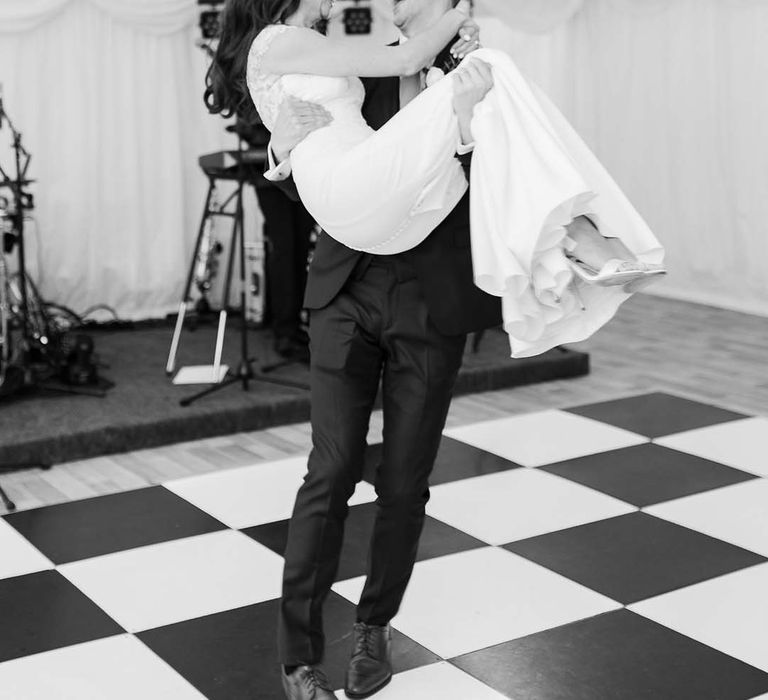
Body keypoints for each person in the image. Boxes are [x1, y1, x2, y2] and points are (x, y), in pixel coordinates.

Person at [204, 1, 665, 698]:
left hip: (428, 292)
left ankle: (373, 629)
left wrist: (456, 69)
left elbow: (482, 161)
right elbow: (293, 130)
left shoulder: (438, 52)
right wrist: (280, 151)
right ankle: (298, 658)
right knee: (328, 473)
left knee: (404, 479)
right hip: (344, 289)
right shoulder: (340, 47)